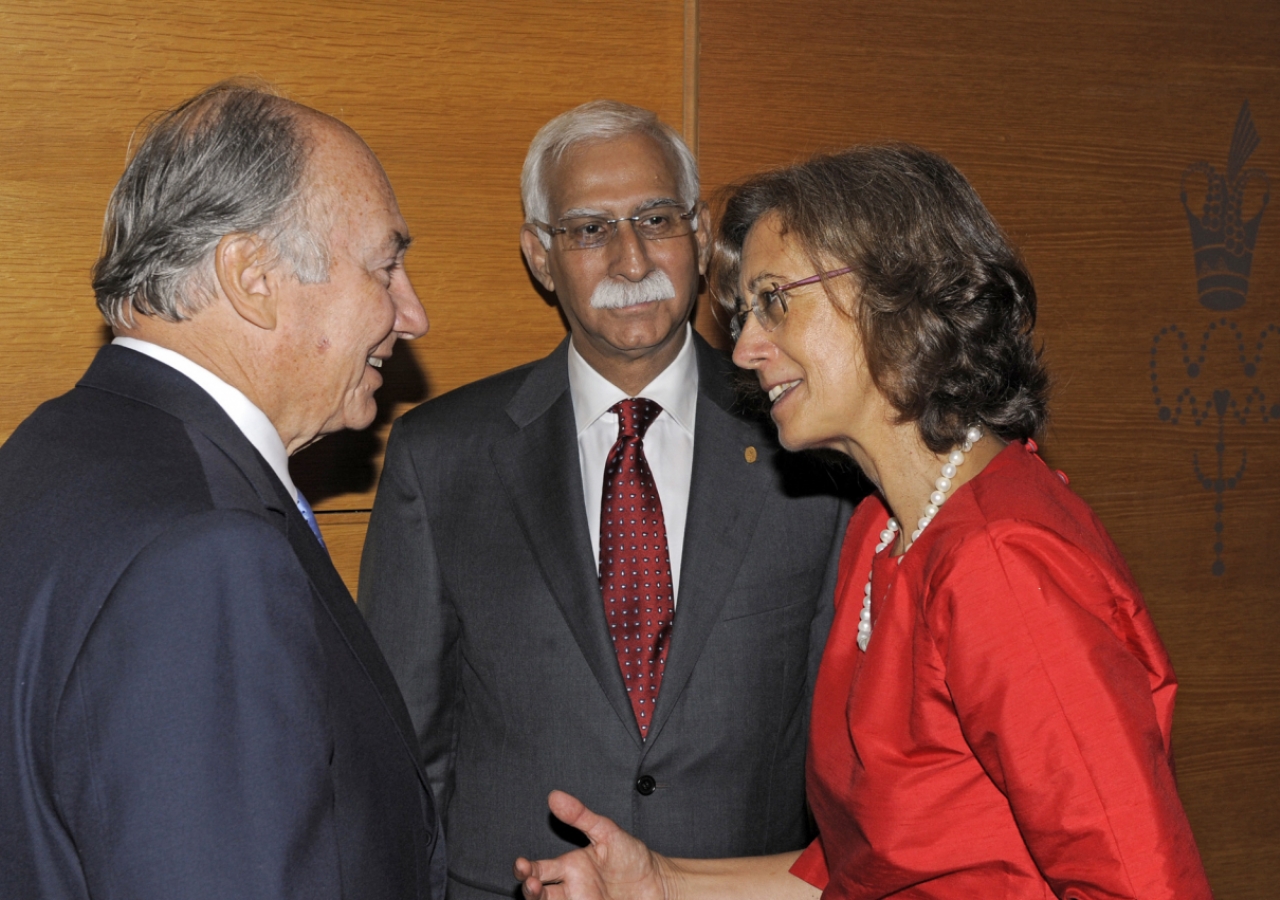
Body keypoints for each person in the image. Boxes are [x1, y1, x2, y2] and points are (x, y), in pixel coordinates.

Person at [514, 145, 1214, 899]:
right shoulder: (880, 533)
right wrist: (657, 881)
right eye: (745, 313)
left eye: (775, 300)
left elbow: (1144, 886)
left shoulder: (1002, 566)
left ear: (897, 293)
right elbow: (860, 873)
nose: (746, 350)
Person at [359, 101, 852, 899]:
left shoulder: (815, 442)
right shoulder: (442, 458)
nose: (631, 260)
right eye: (589, 229)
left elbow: (850, 752)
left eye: (656, 219)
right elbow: (402, 754)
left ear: (698, 235)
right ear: (541, 256)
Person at [0, 83, 443, 899]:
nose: (411, 313)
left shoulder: (47, 450)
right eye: (385, 266)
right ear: (252, 277)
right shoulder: (207, 557)